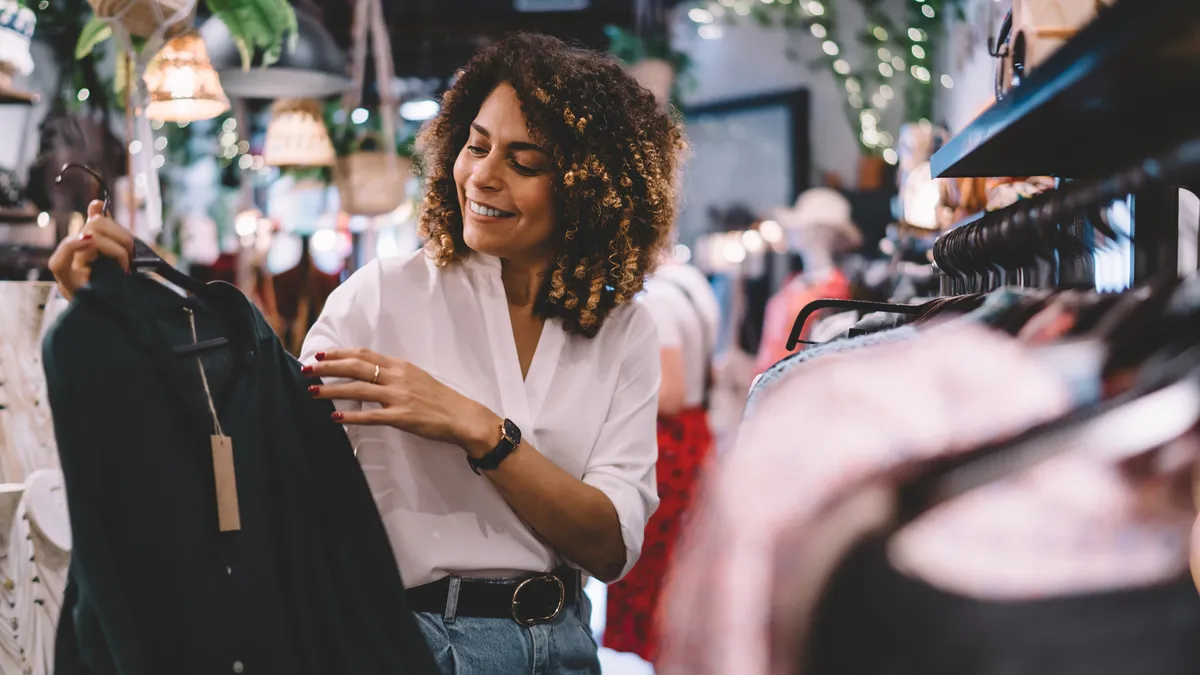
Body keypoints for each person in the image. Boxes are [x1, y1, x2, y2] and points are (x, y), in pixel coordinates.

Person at [47, 32, 685, 675]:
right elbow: (263, 435)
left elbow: (609, 546)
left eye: (524, 162)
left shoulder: (621, 328)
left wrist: (475, 426)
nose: (483, 176)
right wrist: (128, 313)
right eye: (477, 144)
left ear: (589, 189)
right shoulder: (385, 297)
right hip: (416, 646)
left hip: (569, 649)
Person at [603, 253, 719, 663]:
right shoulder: (691, 283)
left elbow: (668, 393)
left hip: (667, 447)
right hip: (695, 431)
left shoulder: (655, 301)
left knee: (657, 577)